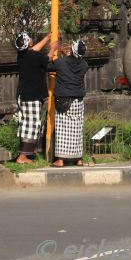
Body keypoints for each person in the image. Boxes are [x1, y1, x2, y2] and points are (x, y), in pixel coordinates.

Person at [47, 38, 89, 167]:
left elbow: (48, 66)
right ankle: (78, 159)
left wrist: (53, 50)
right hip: (78, 101)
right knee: (77, 129)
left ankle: (60, 159)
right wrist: (68, 55)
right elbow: (73, 65)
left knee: (63, 129)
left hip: (64, 99)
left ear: (72, 49)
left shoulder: (61, 62)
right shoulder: (84, 65)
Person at [15, 32, 51, 163]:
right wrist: (53, 48)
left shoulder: (22, 55)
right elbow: (48, 59)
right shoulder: (35, 57)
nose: (31, 39)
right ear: (29, 43)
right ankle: (23, 156)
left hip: (23, 95)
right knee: (33, 125)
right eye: (30, 39)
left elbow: (34, 50)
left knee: (25, 123)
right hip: (32, 96)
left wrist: (47, 38)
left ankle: (27, 151)